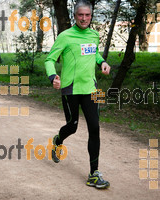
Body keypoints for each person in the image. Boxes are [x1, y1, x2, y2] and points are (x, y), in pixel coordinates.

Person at [45, 0, 111, 189]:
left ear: (91, 16)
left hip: (91, 89)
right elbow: (49, 60)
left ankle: (93, 174)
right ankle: (58, 140)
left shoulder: (94, 35)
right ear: (75, 16)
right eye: (80, 15)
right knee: (72, 127)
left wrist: (102, 62)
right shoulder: (65, 36)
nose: (84, 18)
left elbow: (95, 54)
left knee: (95, 128)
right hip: (70, 90)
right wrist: (53, 77)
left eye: (87, 15)